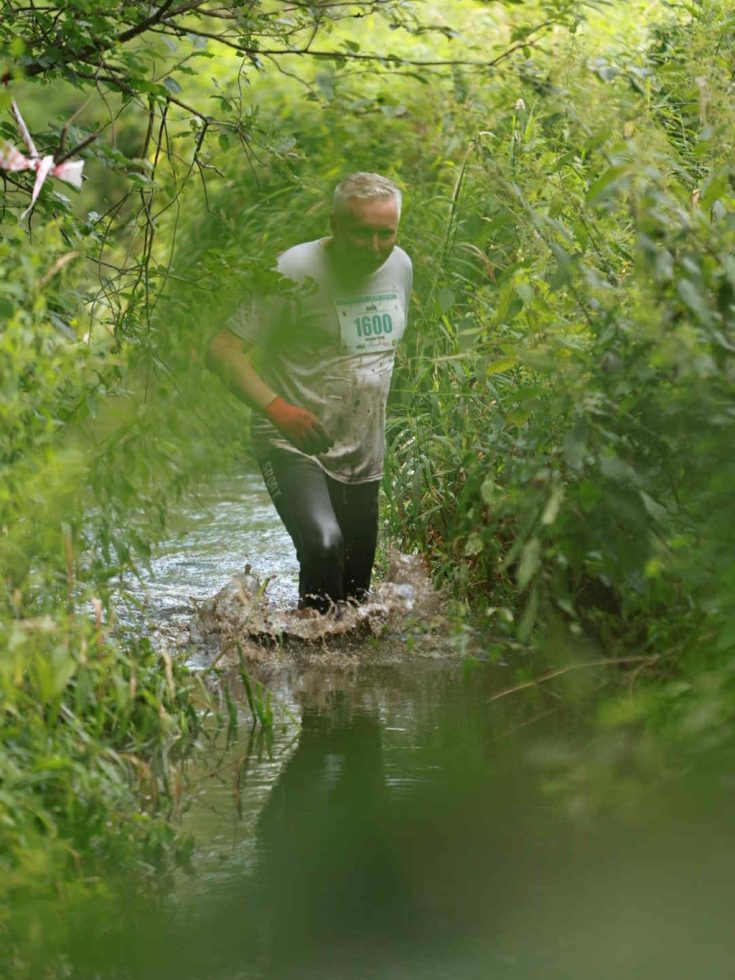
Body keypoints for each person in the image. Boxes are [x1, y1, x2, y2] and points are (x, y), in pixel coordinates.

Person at [208, 172, 412, 614]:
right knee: (324, 547)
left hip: (362, 453)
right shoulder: (294, 271)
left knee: (354, 601)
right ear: (335, 225)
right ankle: (306, 674)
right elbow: (223, 351)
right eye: (362, 234)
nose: (376, 247)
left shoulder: (400, 267)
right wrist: (279, 410)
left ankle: (336, 674)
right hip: (291, 442)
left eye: (386, 234)